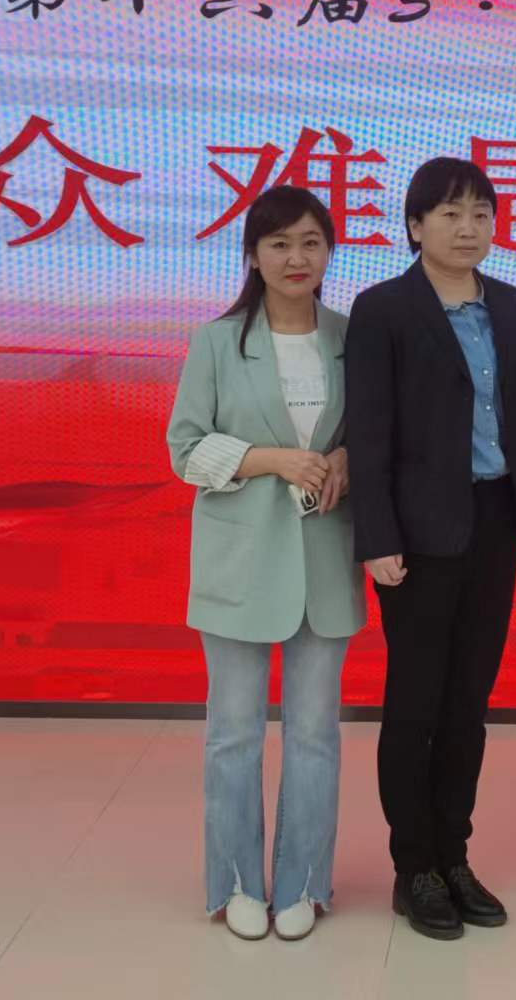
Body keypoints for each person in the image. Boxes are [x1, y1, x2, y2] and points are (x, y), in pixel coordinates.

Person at [345, 157, 516, 941]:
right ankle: (415, 867)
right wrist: (377, 536)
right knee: (416, 704)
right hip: (417, 536)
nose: (468, 228)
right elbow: (368, 431)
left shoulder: (508, 303)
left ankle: (456, 856)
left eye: (481, 213)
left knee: (469, 704)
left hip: (495, 521)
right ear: (414, 226)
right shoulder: (383, 309)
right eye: (449, 214)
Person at [164, 186, 362, 944]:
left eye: (311, 242)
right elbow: (185, 449)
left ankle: (306, 882)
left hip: (325, 561)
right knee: (233, 733)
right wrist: (272, 459)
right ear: (252, 254)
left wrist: (346, 459)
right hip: (240, 562)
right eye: (279, 243)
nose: (296, 257)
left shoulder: (351, 337)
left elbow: (379, 434)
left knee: (315, 733)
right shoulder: (217, 342)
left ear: (329, 252)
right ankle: (236, 883)